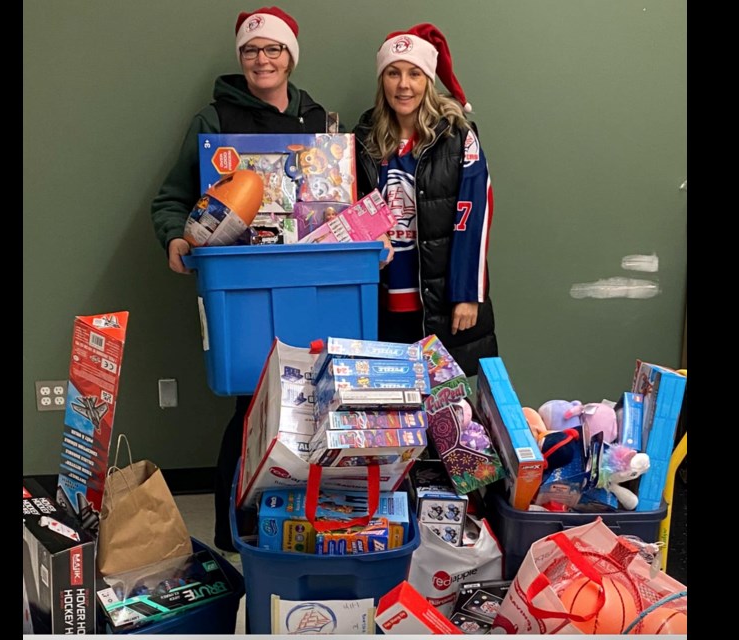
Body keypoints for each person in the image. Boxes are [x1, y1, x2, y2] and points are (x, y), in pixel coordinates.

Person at [149, 6, 331, 553]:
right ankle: (233, 532)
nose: (262, 59)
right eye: (251, 51)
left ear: (290, 56)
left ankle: (308, 526)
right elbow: (171, 198)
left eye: (273, 49)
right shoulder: (213, 121)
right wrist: (175, 238)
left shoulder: (319, 119)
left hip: (310, 277)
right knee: (252, 406)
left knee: (314, 397)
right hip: (244, 283)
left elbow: (345, 197)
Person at [354, 23, 498, 376]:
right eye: (393, 73)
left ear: (428, 81)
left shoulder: (456, 137)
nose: (403, 84)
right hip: (380, 301)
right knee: (389, 414)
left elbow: (473, 216)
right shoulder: (362, 141)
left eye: (414, 74)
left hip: (439, 301)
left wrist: (467, 293)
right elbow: (349, 205)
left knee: (446, 417)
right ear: (382, 80)